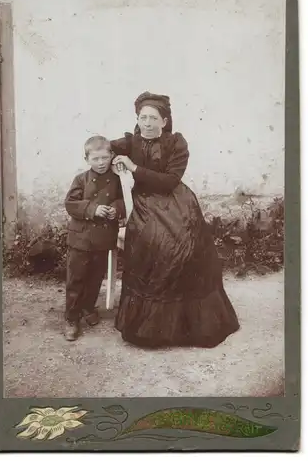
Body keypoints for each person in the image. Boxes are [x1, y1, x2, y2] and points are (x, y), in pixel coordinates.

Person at [111, 91, 240, 348]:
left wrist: (134, 167)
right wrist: (111, 159)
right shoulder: (130, 142)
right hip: (145, 202)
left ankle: (188, 326)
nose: (147, 123)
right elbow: (101, 147)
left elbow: (170, 180)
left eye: (153, 118)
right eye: (142, 118)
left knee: (187, 246)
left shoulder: (177, 144)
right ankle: (150, 328)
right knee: (155, 243)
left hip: (177, 201)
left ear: (165, 121)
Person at [64, 135, 125, 341]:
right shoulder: (81, 179)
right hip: (80, 239)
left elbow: (122, 201)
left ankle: (87, 308)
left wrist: (114, 209)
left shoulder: (116, 180)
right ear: (87, 159)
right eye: (95, 159)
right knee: (77, 278)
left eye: (105, 158)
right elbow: (70, 204)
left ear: (111, 157)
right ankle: (71, 317)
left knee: (95, 277)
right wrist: (93, 209)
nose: (101, 163)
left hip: (103, 239)